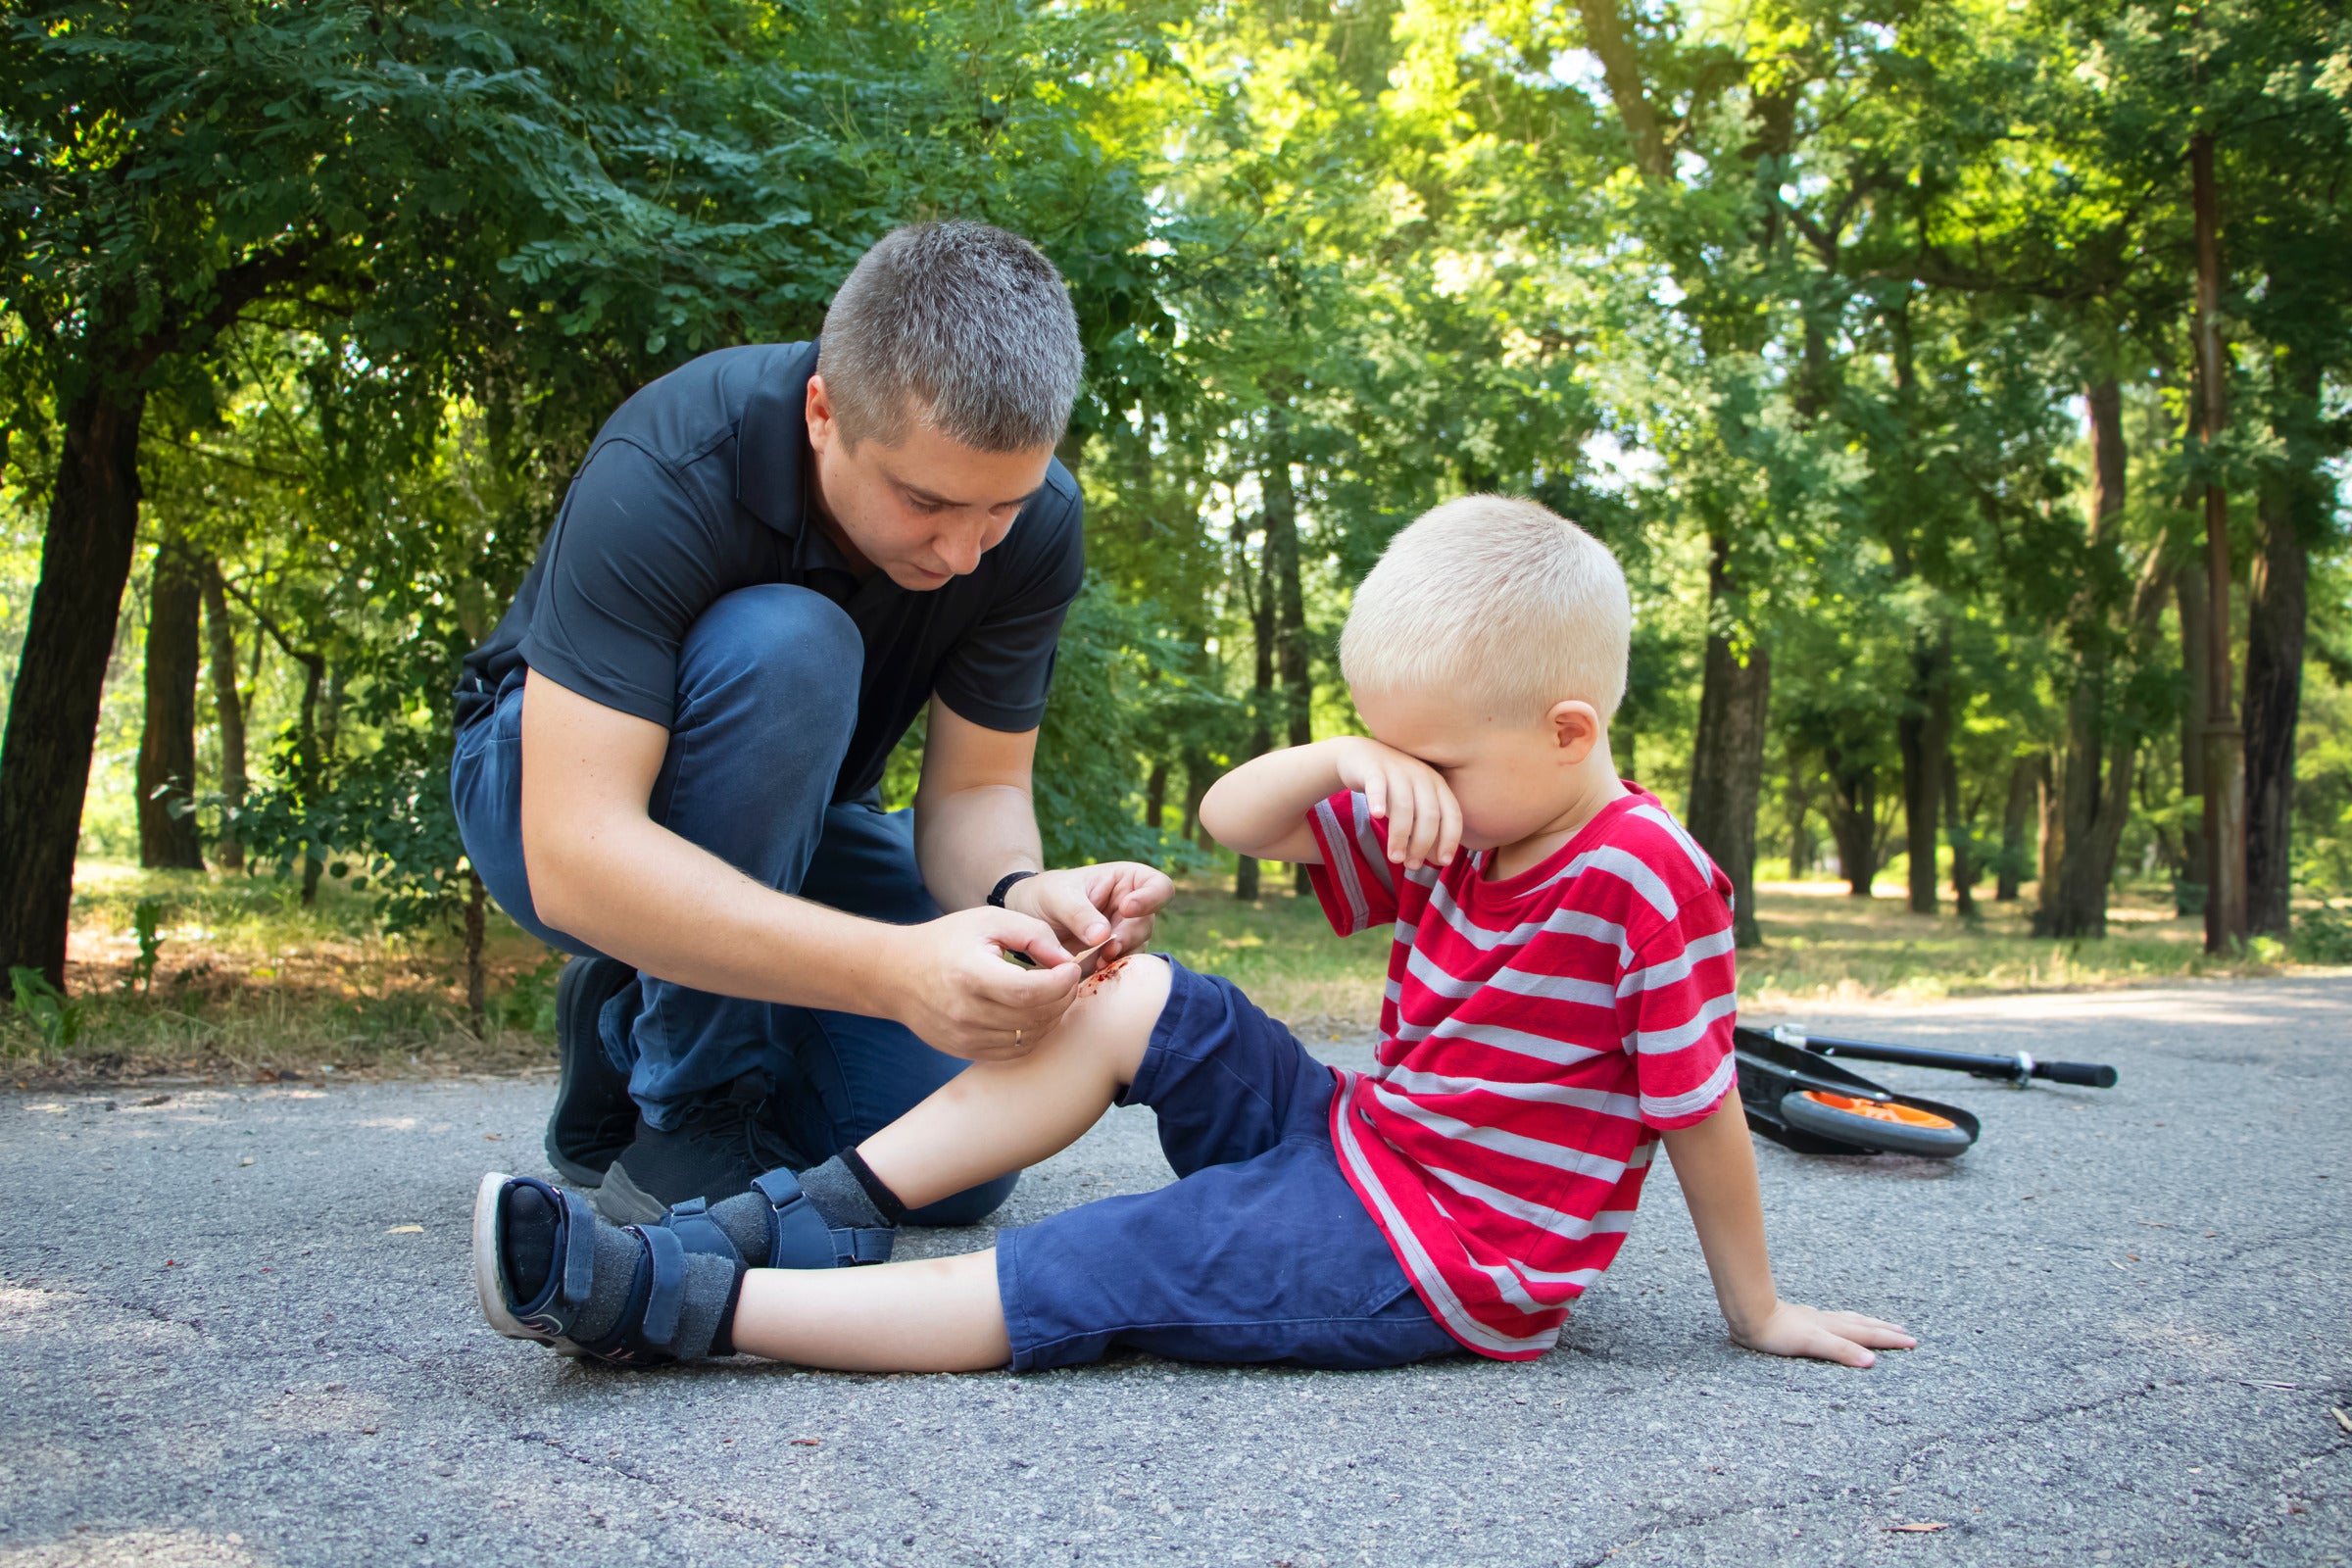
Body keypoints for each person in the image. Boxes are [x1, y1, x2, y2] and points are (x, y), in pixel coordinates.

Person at [470, 496, 1917, 1374]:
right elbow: (1239, 819)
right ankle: (809, 1219)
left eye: (1435, 763)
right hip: (1362, 1143)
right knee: (1135, 993)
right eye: (1391, 759)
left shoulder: (1645, 878)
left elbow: (1699, 1109)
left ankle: (684, 1306)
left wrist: (1761, 1308)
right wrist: (1354, 760)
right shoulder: (1461, 814)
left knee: (1112, 1258)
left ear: (1569, 732)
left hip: (1443, 1254)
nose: (1410, 792)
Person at [449, 221, 1171, 1228]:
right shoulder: (670, 464)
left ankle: (628, 1025)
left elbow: (974, 792)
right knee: (792, 646)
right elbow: (577, 849)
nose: (965, 551)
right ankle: (692, 1107)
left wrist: (1025, 894)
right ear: (824, 412)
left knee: (953, 1163)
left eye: (999, 508)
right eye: (925, 501)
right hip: (542, 788)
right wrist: (889, 969)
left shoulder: (1036, 525)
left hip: (799, 821)